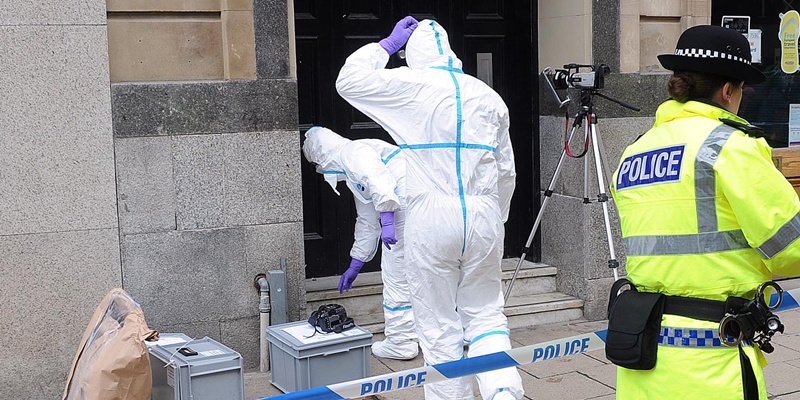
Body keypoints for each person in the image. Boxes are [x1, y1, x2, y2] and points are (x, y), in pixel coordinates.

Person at [336, 17, 523, 400]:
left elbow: (348, 81)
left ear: (414, 54)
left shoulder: (409, 84)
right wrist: (495, 219)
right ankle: (503, 392)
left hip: (432, 217)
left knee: (438, 325)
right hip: (483, 213)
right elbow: (507, 171)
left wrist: (386, 47)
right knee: (486, 314)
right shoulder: (488, 96)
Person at [609, 25, 800, 399]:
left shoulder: (635, 151)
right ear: (728, 91)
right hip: (714, 360)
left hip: (642, 356)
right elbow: (791, 248)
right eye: (742, 90)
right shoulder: (731, 146)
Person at [302, 126, 419, 360]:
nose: (323, 171)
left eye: (319, 165)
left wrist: (387, 217)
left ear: (324, 155)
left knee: (396, 272)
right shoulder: (354, 173)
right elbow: (366, 221)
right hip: (418, 198)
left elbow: (377, 178)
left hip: (404, 200)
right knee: (423, 268)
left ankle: (401, 341)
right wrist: (355, 264)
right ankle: (437, 335)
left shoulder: (353, 151)